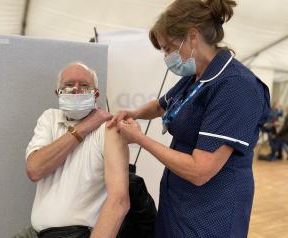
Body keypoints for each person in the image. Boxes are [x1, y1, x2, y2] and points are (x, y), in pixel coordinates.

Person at [108, 0, 270, 237]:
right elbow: (162, 105)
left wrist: (140, 139)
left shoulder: (235, 87)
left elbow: (200, 170)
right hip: (178, 201)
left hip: (212, 211)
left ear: (192, 37)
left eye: (168, 48)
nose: (166, 57)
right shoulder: (198, 76)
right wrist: (134, 114)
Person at [19, 62, 130, 238]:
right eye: (69, 85)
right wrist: (84, 127)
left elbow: (120, 201)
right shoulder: (49, 118)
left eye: (84, 85)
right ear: (58, 93)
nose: (76, 89)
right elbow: (34, 169)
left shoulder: (108, 129)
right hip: (35, 233)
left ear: (96, 94)